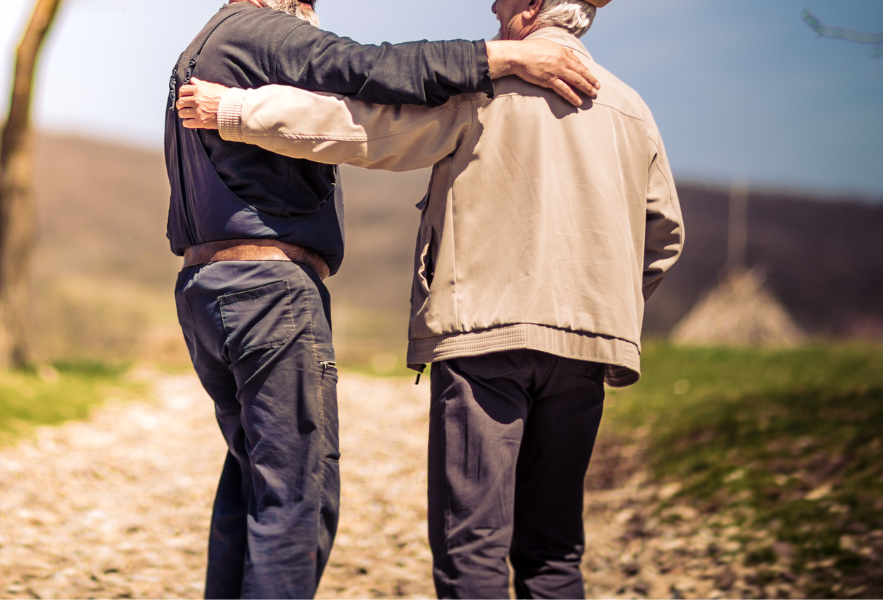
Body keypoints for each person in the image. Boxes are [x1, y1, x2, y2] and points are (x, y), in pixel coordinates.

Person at [175, 0, 685, 597]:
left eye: (505, 2)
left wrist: (234, 110)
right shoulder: (633, 111)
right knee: (553, 549)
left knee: (473, 542)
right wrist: (602, 305)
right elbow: (664, 235)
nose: (494, 8)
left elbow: (366, 129)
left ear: (533, 9)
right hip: (587, 347)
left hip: (485, 338)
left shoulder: (489, 90)